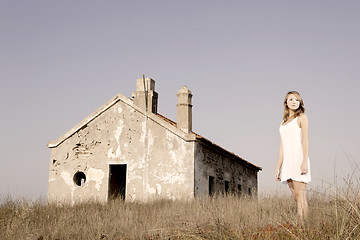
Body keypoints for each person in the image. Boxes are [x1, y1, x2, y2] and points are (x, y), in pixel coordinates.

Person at [275, 91, 311, 221]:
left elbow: (305, 140)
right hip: (288, 162)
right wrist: (278, 167)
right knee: (296, 196)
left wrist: (304, 162)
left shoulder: (302, 118)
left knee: (301, 196)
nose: (294, 102)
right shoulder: (282, 123)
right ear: (286, 102)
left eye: (297, 99)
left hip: (299, 158)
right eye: (291, 99)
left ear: (300, 102)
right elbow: (282, 147)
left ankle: (303, 227)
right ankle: (304, 223)